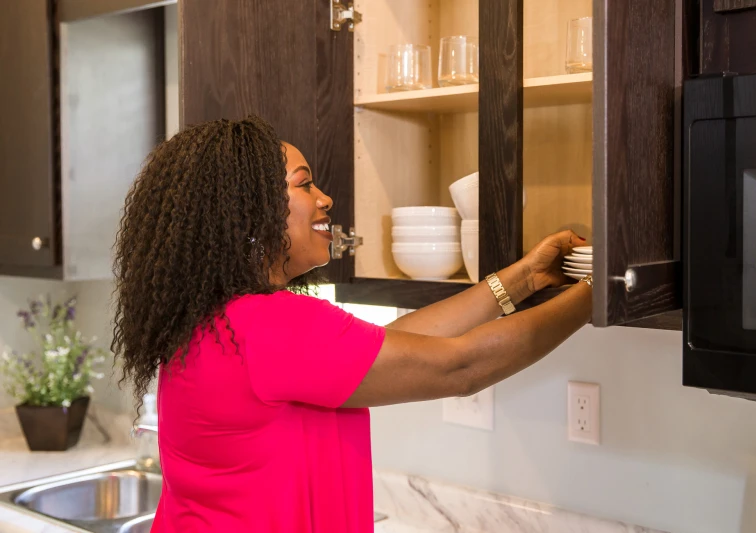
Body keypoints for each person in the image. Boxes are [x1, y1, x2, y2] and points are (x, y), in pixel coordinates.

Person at [111, 115, 592, 533]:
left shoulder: (219, 320)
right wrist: (598, 293)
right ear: (250, 210)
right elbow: (461, 367)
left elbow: (391, 345)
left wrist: (526, 277)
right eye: (304, 184)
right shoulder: (269, 324)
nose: (325, 199)